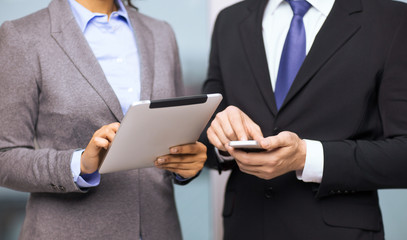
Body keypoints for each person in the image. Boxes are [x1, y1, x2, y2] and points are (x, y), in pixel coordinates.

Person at [0, 0, 207, 239]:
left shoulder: (161, 33)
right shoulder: (23, 36)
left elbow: (176, 134)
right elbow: (5, 156)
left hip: (159, 228)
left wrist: (185, 164)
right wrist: (78, 165)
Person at [201, 0, 407, 239]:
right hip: (245, 227)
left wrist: (306, 157)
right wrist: (224, 142)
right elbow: (205, 131)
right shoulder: (230, 19)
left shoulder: (392, 19)